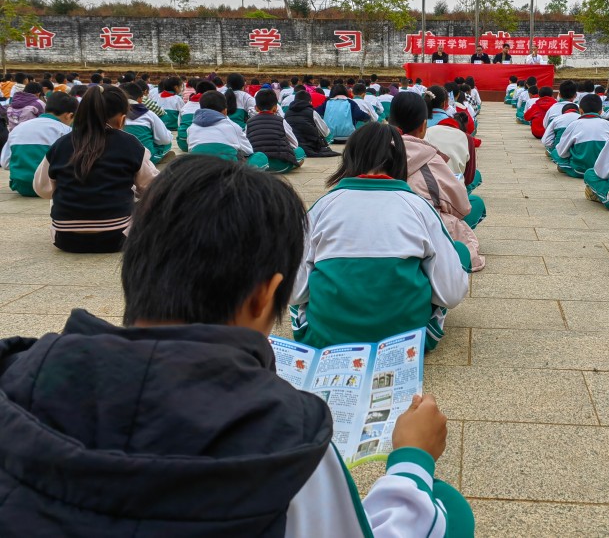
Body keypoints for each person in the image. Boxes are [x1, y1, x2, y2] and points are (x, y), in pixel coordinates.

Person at [0, 155, 475, 536]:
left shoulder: (17, 371)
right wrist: (412, 459)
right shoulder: (289, 435)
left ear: (133, 266)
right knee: (447, 510)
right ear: (265, 295)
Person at [291, 122, 472, 350]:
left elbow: (294, 293)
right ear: (399, 161)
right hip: (408, 344)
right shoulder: (419, 208)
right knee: (457, 255)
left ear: (349, 158)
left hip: (325, 341)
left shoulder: (322, 208)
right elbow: (451, 294)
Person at [33, 85, 158, 253]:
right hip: (118, 238)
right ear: (121, 120)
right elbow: (153, 186)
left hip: (65, 238)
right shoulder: (130, 144)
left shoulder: (61, 144)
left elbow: (42, 189)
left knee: (56, 191)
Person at [395, 93, 486, 271]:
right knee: (461, 240)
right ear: (424, 126)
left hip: (382, 230)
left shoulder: (374, 153)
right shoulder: (431, 159)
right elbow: (462, 207)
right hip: (421, 232)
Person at [1, 92, 77, 197]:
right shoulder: (66, 131)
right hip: (53, 188)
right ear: (69, 115)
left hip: (22, 186)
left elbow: (5, 163)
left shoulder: (19, 128)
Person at [187, 91, 268, 168]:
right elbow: (248, 151)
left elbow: (191, 150)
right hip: (227, 174)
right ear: (225, 111)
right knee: (260, 157)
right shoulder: (233, 127)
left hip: (197, 172)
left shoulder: (191, 128)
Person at [553, 94, 609, 178]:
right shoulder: (608, 125)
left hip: (578, 170)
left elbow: (561, 152)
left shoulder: (574, 124)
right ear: (601, 111)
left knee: (555, 152)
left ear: (580, 110)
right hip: (601, 171)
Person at [246, 89, 306, 173]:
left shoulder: (249, 123)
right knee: (299, 151)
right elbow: (295, 144)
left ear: (256, 108)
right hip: (282, 166)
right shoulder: (281, 121)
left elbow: (246, 145)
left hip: (259, 166)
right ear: (275, 108)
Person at [122, 82, 174, 165]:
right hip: (144, 159)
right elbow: (165, 139)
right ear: (140, 99)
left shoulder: (112, 115)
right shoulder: (148, 114)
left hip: (119, 157)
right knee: (167, 143)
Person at [285, 90, 339, 158]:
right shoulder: (312, 112)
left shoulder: (287, 113)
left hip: (294, 146)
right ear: (310, 102)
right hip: (311, 146)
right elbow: (326, 132)